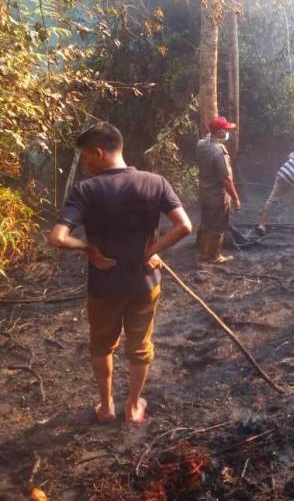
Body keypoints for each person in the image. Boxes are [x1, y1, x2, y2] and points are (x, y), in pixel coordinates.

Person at [49, 122, 192, 424]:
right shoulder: (155, 182)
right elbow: (184, 226)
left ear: (99, 152)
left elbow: (58, 238)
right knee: (140, 347)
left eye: (87, 157)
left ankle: (106, 407)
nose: (86, 164)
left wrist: (88, 248)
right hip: (145, 283)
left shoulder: (85, 190)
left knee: (102, 346)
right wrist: (152, 251)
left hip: (104, 286)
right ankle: (133, 407)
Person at [196, 116, 241, 263]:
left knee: (206, 224)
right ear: (220, 132)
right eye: (226, 130)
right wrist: (235, 198)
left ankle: (203, 254)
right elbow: (226, 179)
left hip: (204, 192)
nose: (227, 132)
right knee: (218, 226)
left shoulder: (201, 144)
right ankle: (215, 256)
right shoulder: (219, 152)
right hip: (217, 196)